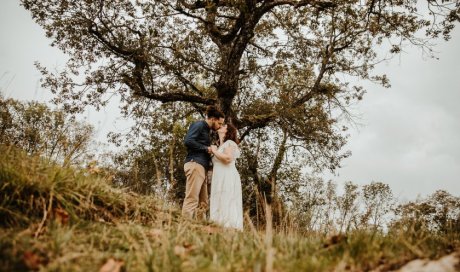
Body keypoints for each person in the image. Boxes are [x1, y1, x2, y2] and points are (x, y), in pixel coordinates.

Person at [182, 106, 225, 219]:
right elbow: (188, 141)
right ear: (213, 119)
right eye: (219, 124)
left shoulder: (207, 130)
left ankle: (201, 231)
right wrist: (207, 149)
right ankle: (183, 226)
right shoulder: (199, 125)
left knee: (203, 203)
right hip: (195, 163)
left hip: (202, 167)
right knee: (192, 199)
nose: (220, 126)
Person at [210, 123, 243, 230]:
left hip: (227, 176)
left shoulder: (229, 143)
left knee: (227, 199)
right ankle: (218, 227)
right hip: (218, 178)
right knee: (218, 200)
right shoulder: (220, 146)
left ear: (228, 131)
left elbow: (228, 159)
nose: (221, 126)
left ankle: (230, 229)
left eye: (224, 126)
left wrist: (214, 151)